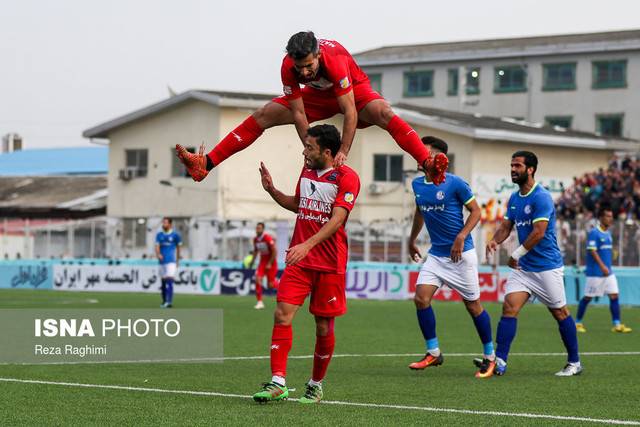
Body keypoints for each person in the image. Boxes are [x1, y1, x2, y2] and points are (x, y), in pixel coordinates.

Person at [175, 31, 448, 184]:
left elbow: (350, 112)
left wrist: (342, 151)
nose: (304, 72)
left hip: (353, 91)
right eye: (299, 67)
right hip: (318, 97)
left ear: (318, 55)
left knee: (384, 113)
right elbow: (298, 113)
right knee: (263, 114)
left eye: (309, 65)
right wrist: (312, 151)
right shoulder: (288, 68)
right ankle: (206, 163)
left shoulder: (335, 62)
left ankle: (426, 162)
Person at [252, 124, 360, 404]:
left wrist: (307, 244)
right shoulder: (307, 170)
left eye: (309, 147)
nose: (304, 151)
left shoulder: (347, 178)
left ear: (327, 151)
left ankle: (315, 384)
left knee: (323, 327)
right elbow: (299, 204)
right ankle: (278, 382)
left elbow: (338, 219)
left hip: (329, 263)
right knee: (281, 315)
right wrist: (272, 190)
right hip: (299, 261)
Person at [486, 151, 582, 377]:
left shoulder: (542, 197)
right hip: (524, 270)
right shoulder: (514, 198)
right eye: (511, 165)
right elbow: (506, 226)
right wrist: (494, 241)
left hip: (547, 267)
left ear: (530, 169)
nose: (512, 169)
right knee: (509, 308)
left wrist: (515, 254)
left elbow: (538, 233)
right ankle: (500, 360)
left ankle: (574, 362)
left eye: (517, 165)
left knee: (560, 313)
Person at [407, 136, 495, 378]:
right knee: (421, 299)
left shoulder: (456, 183)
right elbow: (420, 211)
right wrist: (411, 239)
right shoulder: (417, 185)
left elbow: (477, 212)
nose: (416, 154)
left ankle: (490, 357)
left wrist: (462, 235)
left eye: (421, 151)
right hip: (436, 255)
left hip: (461, 255)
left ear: (437, 157)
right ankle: (433, 352)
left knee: (473, 306)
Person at [576, 207, 632, 333]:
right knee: (588, 298)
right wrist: (602, 266)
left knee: (614, 296)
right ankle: (578, 323)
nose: (610, 219)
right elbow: (592, 250)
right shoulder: (594, 233)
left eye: (611, 216)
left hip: (608, 273)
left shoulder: (608, 233)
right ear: (601, 218)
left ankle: (617, 324)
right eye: (607, 216)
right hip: (595, 273)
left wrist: (613, 254)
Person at [249, 222, 279, 309]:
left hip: (271, 262)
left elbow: (274, 251)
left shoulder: (267, 238)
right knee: (258, 279)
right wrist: (252, 261)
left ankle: (282, 285)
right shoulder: (255, 239)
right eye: (256, 228)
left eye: (259, 228)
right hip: (262, 262)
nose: (257, 229)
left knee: (270, 285)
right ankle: (259, 302)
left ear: (263, 229)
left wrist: (270, 263)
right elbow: (255, 251)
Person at [155, 217, 182, 308]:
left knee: (169, 280)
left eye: (165, 223)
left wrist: (178, 260)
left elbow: (178, 248)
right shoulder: (159, 235)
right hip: (162, 262)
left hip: (171, 261)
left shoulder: (175, 235)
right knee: (162, 283)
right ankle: (164, 301)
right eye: (163, 223)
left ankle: (169, 301)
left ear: (170, 224)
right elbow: (157, 246)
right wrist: (158, 254)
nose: (164, 224)